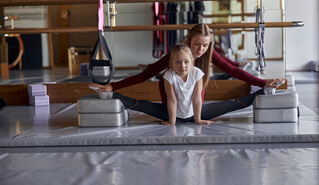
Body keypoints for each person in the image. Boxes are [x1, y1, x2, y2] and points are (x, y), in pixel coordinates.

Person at [91, 23, 282, 121]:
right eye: (197, 44)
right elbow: (145, 74)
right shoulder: (177, 55)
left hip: (196, 111)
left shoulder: (208, 55)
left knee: (233, 104)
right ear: (189, 39)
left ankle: (264, 90)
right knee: (140, 104)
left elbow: (233, 69)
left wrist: (262, 83)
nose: (200, 49)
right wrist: (113, 85)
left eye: (205, 45)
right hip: (171, 110)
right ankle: (111, 94)